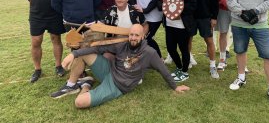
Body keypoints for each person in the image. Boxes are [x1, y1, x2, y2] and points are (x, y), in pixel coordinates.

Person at [51, 24, 190, 108]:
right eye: (131, 35)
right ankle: (71, 84)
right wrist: (73, 54)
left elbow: (163, 70)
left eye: (136, 35)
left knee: (79, 103)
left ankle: (86, 85)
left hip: (118, 86)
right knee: (83, 53)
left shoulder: (150, 53)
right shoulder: (123, 44)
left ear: (142, 37)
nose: (133, 38)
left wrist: (175, 86)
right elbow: (97, 49)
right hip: (109, 70)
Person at [23, 0, 66, 83]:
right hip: (37, 15)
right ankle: (37, 69)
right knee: (36, 41)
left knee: (56, 39)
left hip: (55, 15)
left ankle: (58, 66)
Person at [157, 0, 196, 82]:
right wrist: (163, 7)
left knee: (184, 49)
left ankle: (184, 71)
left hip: (182, 25)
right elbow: (159, 1)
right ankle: (179, 67)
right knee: (170, 48)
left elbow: (193, 5)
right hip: (169, 24)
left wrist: (180, 11)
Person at [187, 0, 219, 79]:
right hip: (190, 15)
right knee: (188, 39)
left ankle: (212, 65)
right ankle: (188, 60)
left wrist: (214, 16)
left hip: (205, 15)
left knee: (209, 40)